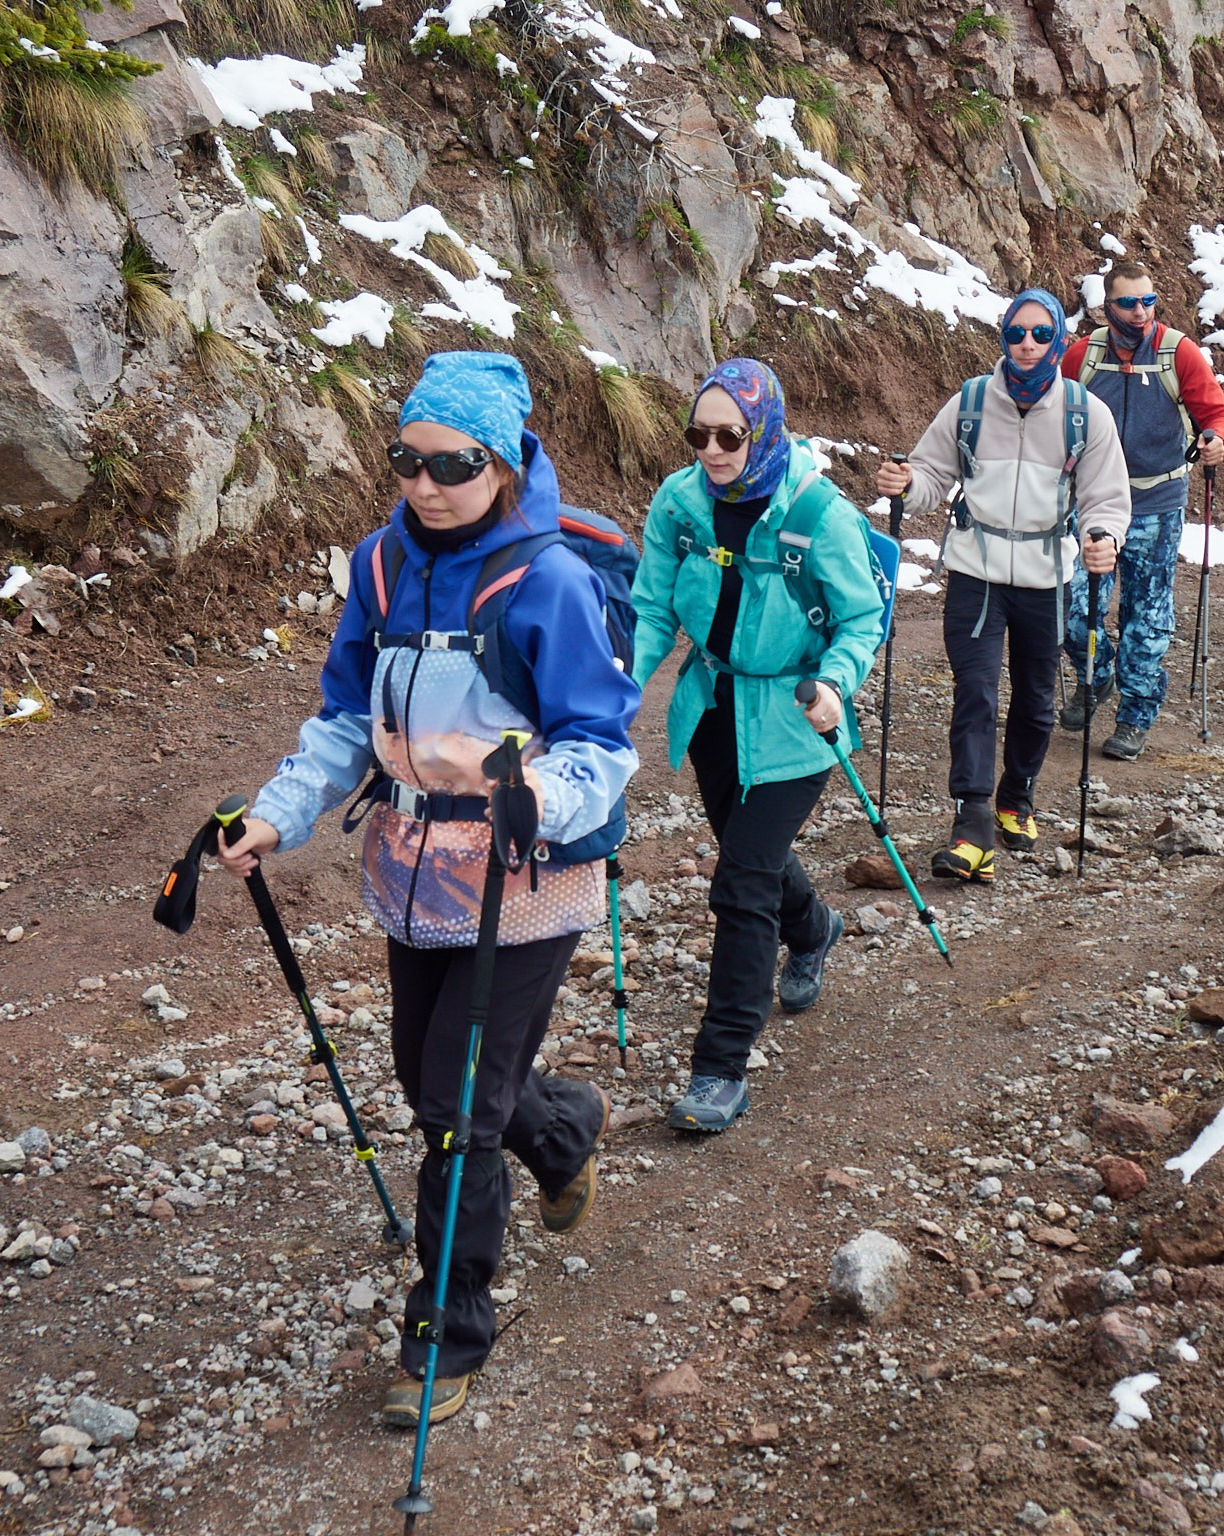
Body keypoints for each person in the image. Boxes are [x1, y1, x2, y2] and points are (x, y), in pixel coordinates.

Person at [216, 351, 640, 1427]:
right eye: (405, 460)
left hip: (525, 881)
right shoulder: (378, 569)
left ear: (500, 464)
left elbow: (600, 736)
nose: (424, 483)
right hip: (414, 879)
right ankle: (563, 1130)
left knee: (453, 1116)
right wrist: (276, 812)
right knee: (431, 1082)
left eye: (451, 464)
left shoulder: (546, 580)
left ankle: (447, 1335)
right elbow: (346, 721)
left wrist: (533, 793)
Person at [631, 359, 884, 1134]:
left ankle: (720, 1070)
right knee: (754, 859)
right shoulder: (679, 503)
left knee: (740, 883)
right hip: (712, 707)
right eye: (698, 434)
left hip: (794, 721)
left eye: (729, 435)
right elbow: (649, 610)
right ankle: (815, 929)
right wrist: (611, 695)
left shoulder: (820, 515)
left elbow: (861, 618)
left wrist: (837, 683)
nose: (710, 450)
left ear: (763, 430)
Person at [875, 289, 1128, 882]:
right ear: (1003, 337)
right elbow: (934, 475)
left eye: (1041, 334)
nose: (1028, 344)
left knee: (1038, 702)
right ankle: (973, 826)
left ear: (1060, 339)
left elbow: (1106, 498)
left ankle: (1017, 797)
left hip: (1046, 576)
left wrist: (1102, 538)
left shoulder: (1084, 413)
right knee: (976, 693)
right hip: (976, 574)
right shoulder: (969, 403)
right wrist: (907, 482)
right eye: (1017, 333)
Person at [1056, 260, 1224, 760]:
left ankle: (1136, 713)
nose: (1141, 312)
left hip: (1158, 500)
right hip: (1092, 501)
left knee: (1146, 617)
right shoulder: (1083, 355)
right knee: (1073, 611)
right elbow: (1055, 408)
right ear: (1106, 307)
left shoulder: (1178, 352)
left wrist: (1216, 439)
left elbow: (1218, 413)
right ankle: (1098, 673)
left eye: (1148, 301)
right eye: (1129, 303)